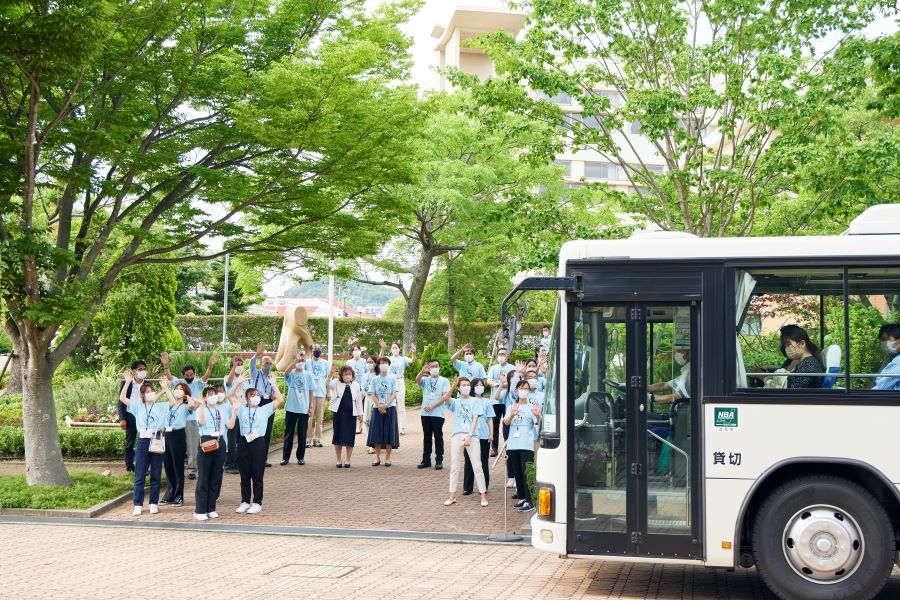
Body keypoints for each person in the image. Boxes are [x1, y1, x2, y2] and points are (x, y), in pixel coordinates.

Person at [230, 373, 283, 514]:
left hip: (258, 442)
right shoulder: (241, 409)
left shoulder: (264, 409)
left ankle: (257, 502)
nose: (256, 397)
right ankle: (245, 501)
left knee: (257, 474)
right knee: (244, 475)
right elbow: (230, 397)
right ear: (247, 399)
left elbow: (280, 399)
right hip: (243, 442)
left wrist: (273, 385)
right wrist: (238, 383)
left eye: (257, 395)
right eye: (253, 395)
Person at [118, 371, 168, 516]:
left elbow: (171, 402)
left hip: (157, 439)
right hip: (143, 441)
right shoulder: (137, 406)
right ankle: (138, 504)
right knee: (139, 474)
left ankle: (153, 503)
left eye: (152, 391)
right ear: (142, 395)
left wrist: (165, 389)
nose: (150, 394)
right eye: (146, 392)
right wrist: (127, 382)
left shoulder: (159, 406)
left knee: (156, 473)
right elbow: (122, 398)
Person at [162, 352, 217, 481]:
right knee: (178, 445)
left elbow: (206, 376)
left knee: (192, 445)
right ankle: (178, 468)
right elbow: (169, 377)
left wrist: (210, 366)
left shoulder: (198, 383)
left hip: (192, 419)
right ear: (183, 375)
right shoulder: (179, 383)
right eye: (187, 375)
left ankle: (192, 469)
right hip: (178, 421)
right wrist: (166, 365)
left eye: (191, 374)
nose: (189, 376)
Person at [444, 377, 489, 508]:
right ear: (459, 388)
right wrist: (453, 385)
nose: (466, 387)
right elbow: (446, 398)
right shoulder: (456, 402)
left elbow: (475, 418)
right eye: (463, 385)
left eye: (468, 385)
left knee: (477, 466)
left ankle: (483, 494)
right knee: (455, 466)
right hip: (456, 434)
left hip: (472, 435)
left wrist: (470, 434)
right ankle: (452, 495)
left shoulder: (475, 401)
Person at [193, 385, 235, 521]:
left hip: (219, 441)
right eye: (210, 394)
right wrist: (200, 406)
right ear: (204, 397)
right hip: (206, 441)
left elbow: (230, 426)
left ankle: (211, 508)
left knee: (215, 476)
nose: (213, 396)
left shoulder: (221, 410)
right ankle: (199, 510)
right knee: (203, 476)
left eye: (214, 394)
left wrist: (235, 410)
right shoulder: (201, 409)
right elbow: (201, 422)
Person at [504, 379, 541, 512]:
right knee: (518, 472)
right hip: (513, 444)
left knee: (528, 473)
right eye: (521, 388)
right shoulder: (512, 406)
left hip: (526, 444)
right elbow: (506, 422)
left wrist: (538, 415)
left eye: (525, 388)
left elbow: (538, 422)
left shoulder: (532, 406)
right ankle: (523, 498)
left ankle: (531, 500)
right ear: (517, 390)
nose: (523, 390)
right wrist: (512, 415)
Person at [158, 380, 192, 507]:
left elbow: (192, 406)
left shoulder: (185, 406)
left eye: (181, 389)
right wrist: (164, 389)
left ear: (185, 393)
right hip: (167, 434)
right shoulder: (169, 404)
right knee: (168, 466)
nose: (177, 390)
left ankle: (179, 496)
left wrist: (189, 399)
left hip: (178, 435)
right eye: (176, 388)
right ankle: (169, 494)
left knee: (178, 466)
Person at [415, 359, 451, 470]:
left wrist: (432, 406)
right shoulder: (426, 379)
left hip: (437, 413)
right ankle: (426, 460)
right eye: (432, 366)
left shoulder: (444, 381)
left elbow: (445, 397)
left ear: (439, 367)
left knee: (438, 437)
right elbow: (417, 380)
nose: (434, 368)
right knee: (427, 437)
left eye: (436, 366)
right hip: (425, 413)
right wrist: (422, 371)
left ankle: (439, 460)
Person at [281, 350, 314, 465]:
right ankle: (285, 457)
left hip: (303, 409)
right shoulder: (292, 373)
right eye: (299, 360)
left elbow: (311, 392)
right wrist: (295, 360)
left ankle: (300, 457)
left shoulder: (308, 375)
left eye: (302, 360)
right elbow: (285, 372)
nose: (300, 362)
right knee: (288, 433)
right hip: (291, 408)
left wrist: (310, 407)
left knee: (302, 434)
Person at [329, 365, 365, 468]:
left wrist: (360, 414)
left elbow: (358, 401)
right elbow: (327, 384)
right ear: (341, 375)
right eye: (345, 374)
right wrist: (330, 374)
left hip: (351, 415)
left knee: (350, 437)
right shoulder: (336, 383)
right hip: (338, 413)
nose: (347, 376)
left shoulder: (356, 385)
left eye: (349, 374)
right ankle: (338, 459)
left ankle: (348, 460)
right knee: (338, 436)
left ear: (352, 375)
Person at [378, 339, 417, 435]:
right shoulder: (388, 358)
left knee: (401, 405)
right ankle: (387, 426)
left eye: (396, 347)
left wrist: (414, 353)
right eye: (393, 348)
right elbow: (380, 359)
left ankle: (402, 427)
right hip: (389, 382)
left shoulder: (403, 359)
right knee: (388, 404)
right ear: (391, 350)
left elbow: (412, 361)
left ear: (399, 349)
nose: (394, 349)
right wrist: (382, 349)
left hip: (399, 382)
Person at [366, 356, 399, 466]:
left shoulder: (393, 378)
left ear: (388, 365)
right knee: (377, 433)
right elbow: (372, 394)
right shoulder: (374, 379)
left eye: (385, 362)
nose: (383, 364)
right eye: (381, 362)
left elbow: (394, 393)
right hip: (377, 409)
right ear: (378, 365)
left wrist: (386, 405)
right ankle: (377, 458)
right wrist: (379, 405)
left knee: (389, 433)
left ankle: (388, 458)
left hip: (390, 408)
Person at [462, 377, 492, 496]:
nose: (480, 387)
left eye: (482, 385)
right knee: (469, 461)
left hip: (484, 435)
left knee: (483, 461)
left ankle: (483, 487)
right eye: (477, 385)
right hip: (470, 435)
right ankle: (467, 487)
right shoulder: (467, 401)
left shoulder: (487, 402)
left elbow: (490, 418)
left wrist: (492, 433)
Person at [249, 343, 277, 466]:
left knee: (267, 430)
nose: (268, 366)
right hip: (257, 402)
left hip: (268, 403)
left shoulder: (271, 376)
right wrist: (257, 354)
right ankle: (253, 457)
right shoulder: (256, 373)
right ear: (261, 364)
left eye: (270, 364)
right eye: (266, 363)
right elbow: (251, 363)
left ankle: (264, 458)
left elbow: (274, 392)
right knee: (255, 429)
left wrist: (273, 394)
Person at [117, 359, 148, 473]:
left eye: (144, 369)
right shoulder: (127, 383)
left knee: (145, 441)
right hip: (130, 415)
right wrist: (122, 419)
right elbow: (121, 402)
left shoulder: (147, 383)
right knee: (130, 442)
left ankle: (143, 466)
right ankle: (130, 467)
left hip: (144, 416)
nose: (142, 371)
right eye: (140, 369)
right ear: (134, 371)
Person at [486, 347, 515, 458]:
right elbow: (488, 380)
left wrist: (501, 384)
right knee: (495, 424)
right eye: (499, 354)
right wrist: (496, 384)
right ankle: (494, 448)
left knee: (507, 424)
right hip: (495, 400)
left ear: (507, 355)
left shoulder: (512, 368)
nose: (501, 356)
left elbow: (514, 382)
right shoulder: (493, 368)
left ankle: (508, 446)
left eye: (503, 354)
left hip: (508, 401)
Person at [223, 356, 249, 474]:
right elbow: (228, 383)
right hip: (232, 414)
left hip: (243, 414)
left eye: (240, 363)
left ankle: (238, 462)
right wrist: (234, 368)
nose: (239, 365)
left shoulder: (245, 379)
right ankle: (229, 464)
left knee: (240, 440)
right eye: (236, 364)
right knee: (231, 440)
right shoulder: (228, 378)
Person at [779, 325, 825, 389]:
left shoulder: (808, 366)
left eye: (789, 344)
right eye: (785, 346)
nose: (786, 349)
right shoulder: (805, 363)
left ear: (802, 344)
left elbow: (794, 393)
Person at [305, 344, 330, 448]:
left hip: (321, 393)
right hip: (310, 394)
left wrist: (329, 392)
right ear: (311, 351)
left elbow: (329, 378)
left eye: (319, 349)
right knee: (309, 418)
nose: (318, 351)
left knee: (319, 418)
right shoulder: (306, 362)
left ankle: (317, 439)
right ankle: (307, 439)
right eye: (316, 349)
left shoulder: (325, 363)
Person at [346, 344, 368, 433]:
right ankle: (352, 426)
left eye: (358, 349)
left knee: (361, 407)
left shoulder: (364, 361)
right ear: (352, 352)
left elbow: (367, 375)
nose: (357, 351)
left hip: (362, 388)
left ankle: (360, 426)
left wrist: (364, 389)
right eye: (355, 350)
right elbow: (346, 375)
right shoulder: (348, 363)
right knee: (352, 407)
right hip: (352, 387)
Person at [360, 356, 378, 454]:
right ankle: (370, 442)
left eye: (371, 362)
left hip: (375, 399)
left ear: (375, 363)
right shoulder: (364, 376)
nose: (369, 363)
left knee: (373, 421)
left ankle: (374, 445)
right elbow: (363, 391)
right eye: (367, 361)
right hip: (367, 398)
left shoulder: (377, 375)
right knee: (366, 420)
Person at [874, 324, 900, 390]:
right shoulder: (890, 358)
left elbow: (881, 387)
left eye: (886, 339)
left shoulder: (898, 363)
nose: (883, 343)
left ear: (898, 342)